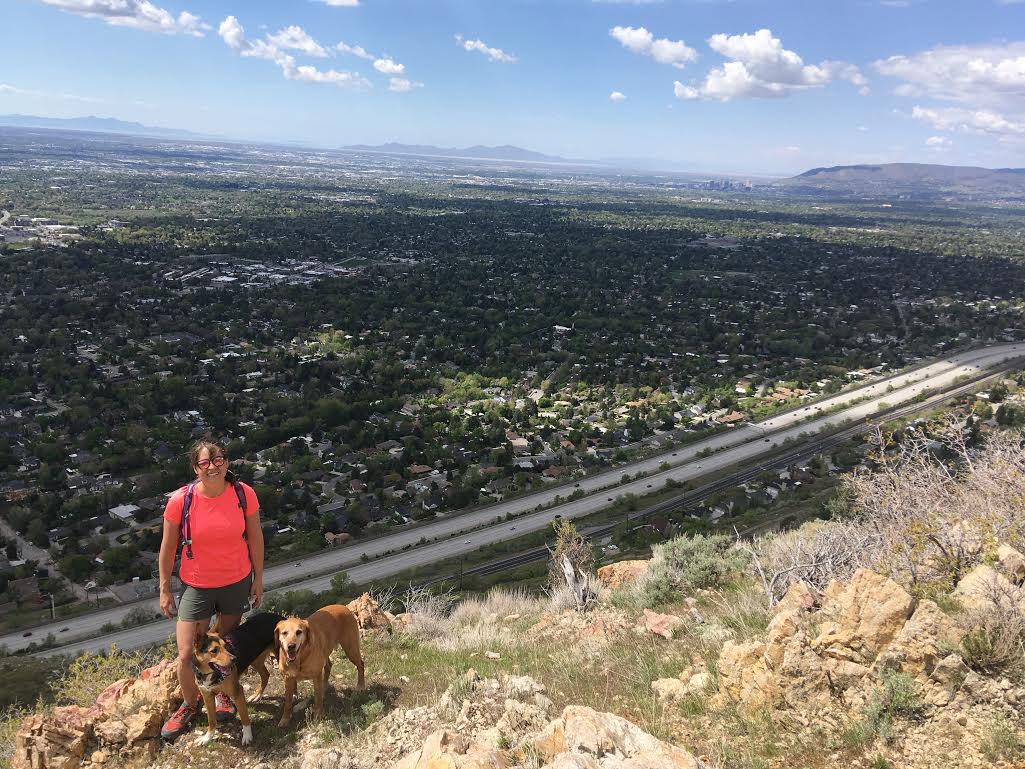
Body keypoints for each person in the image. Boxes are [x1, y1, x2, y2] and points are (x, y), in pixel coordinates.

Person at [157, 438, 265, 741]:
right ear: (196, 467)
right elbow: (167, 548)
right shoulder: (181, 501)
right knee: (187, 652)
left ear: (227, 463)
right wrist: (164, 587)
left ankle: (224, 695)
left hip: (235, 581)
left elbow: (255, 536)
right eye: (205, 462)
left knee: (224, 648)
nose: (213, 467)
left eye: (218, 460)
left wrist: (258, 578)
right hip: (197, 584)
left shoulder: (244, 495)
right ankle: (190, 705)